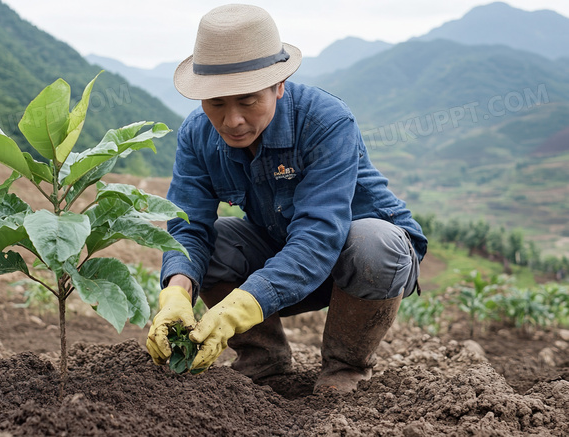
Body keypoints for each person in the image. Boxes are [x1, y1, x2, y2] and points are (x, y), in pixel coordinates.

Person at [145, 4, 427, 394]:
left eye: (247, 101)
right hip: (282, 259)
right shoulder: (197, 135)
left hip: (356, 266)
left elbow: (318, 238)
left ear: (278, 86)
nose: (232, 121)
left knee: (374, 245)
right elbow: (188, 224)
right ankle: (265, 360)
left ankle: (346, 367)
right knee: (212, 246)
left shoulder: (325, 122)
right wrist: (177, 290)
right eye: (216, 103)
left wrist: (236, 309)